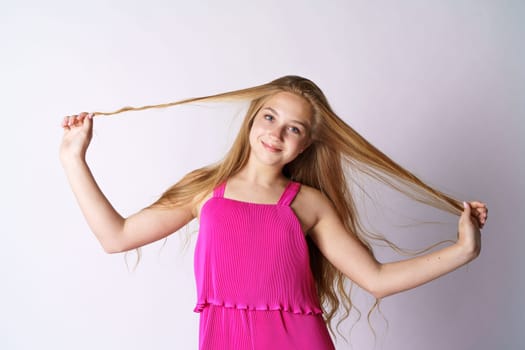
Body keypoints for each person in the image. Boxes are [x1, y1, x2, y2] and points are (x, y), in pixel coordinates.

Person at [60, 75, 487, 350]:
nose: (276, 132)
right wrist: (73, 160)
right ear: (251, 120)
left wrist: (462, 250)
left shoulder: (308, 203)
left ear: (305, 145)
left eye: (294, 128)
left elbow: (375, 280)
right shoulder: (205, 189)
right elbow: (115, 237)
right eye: (270, 116)